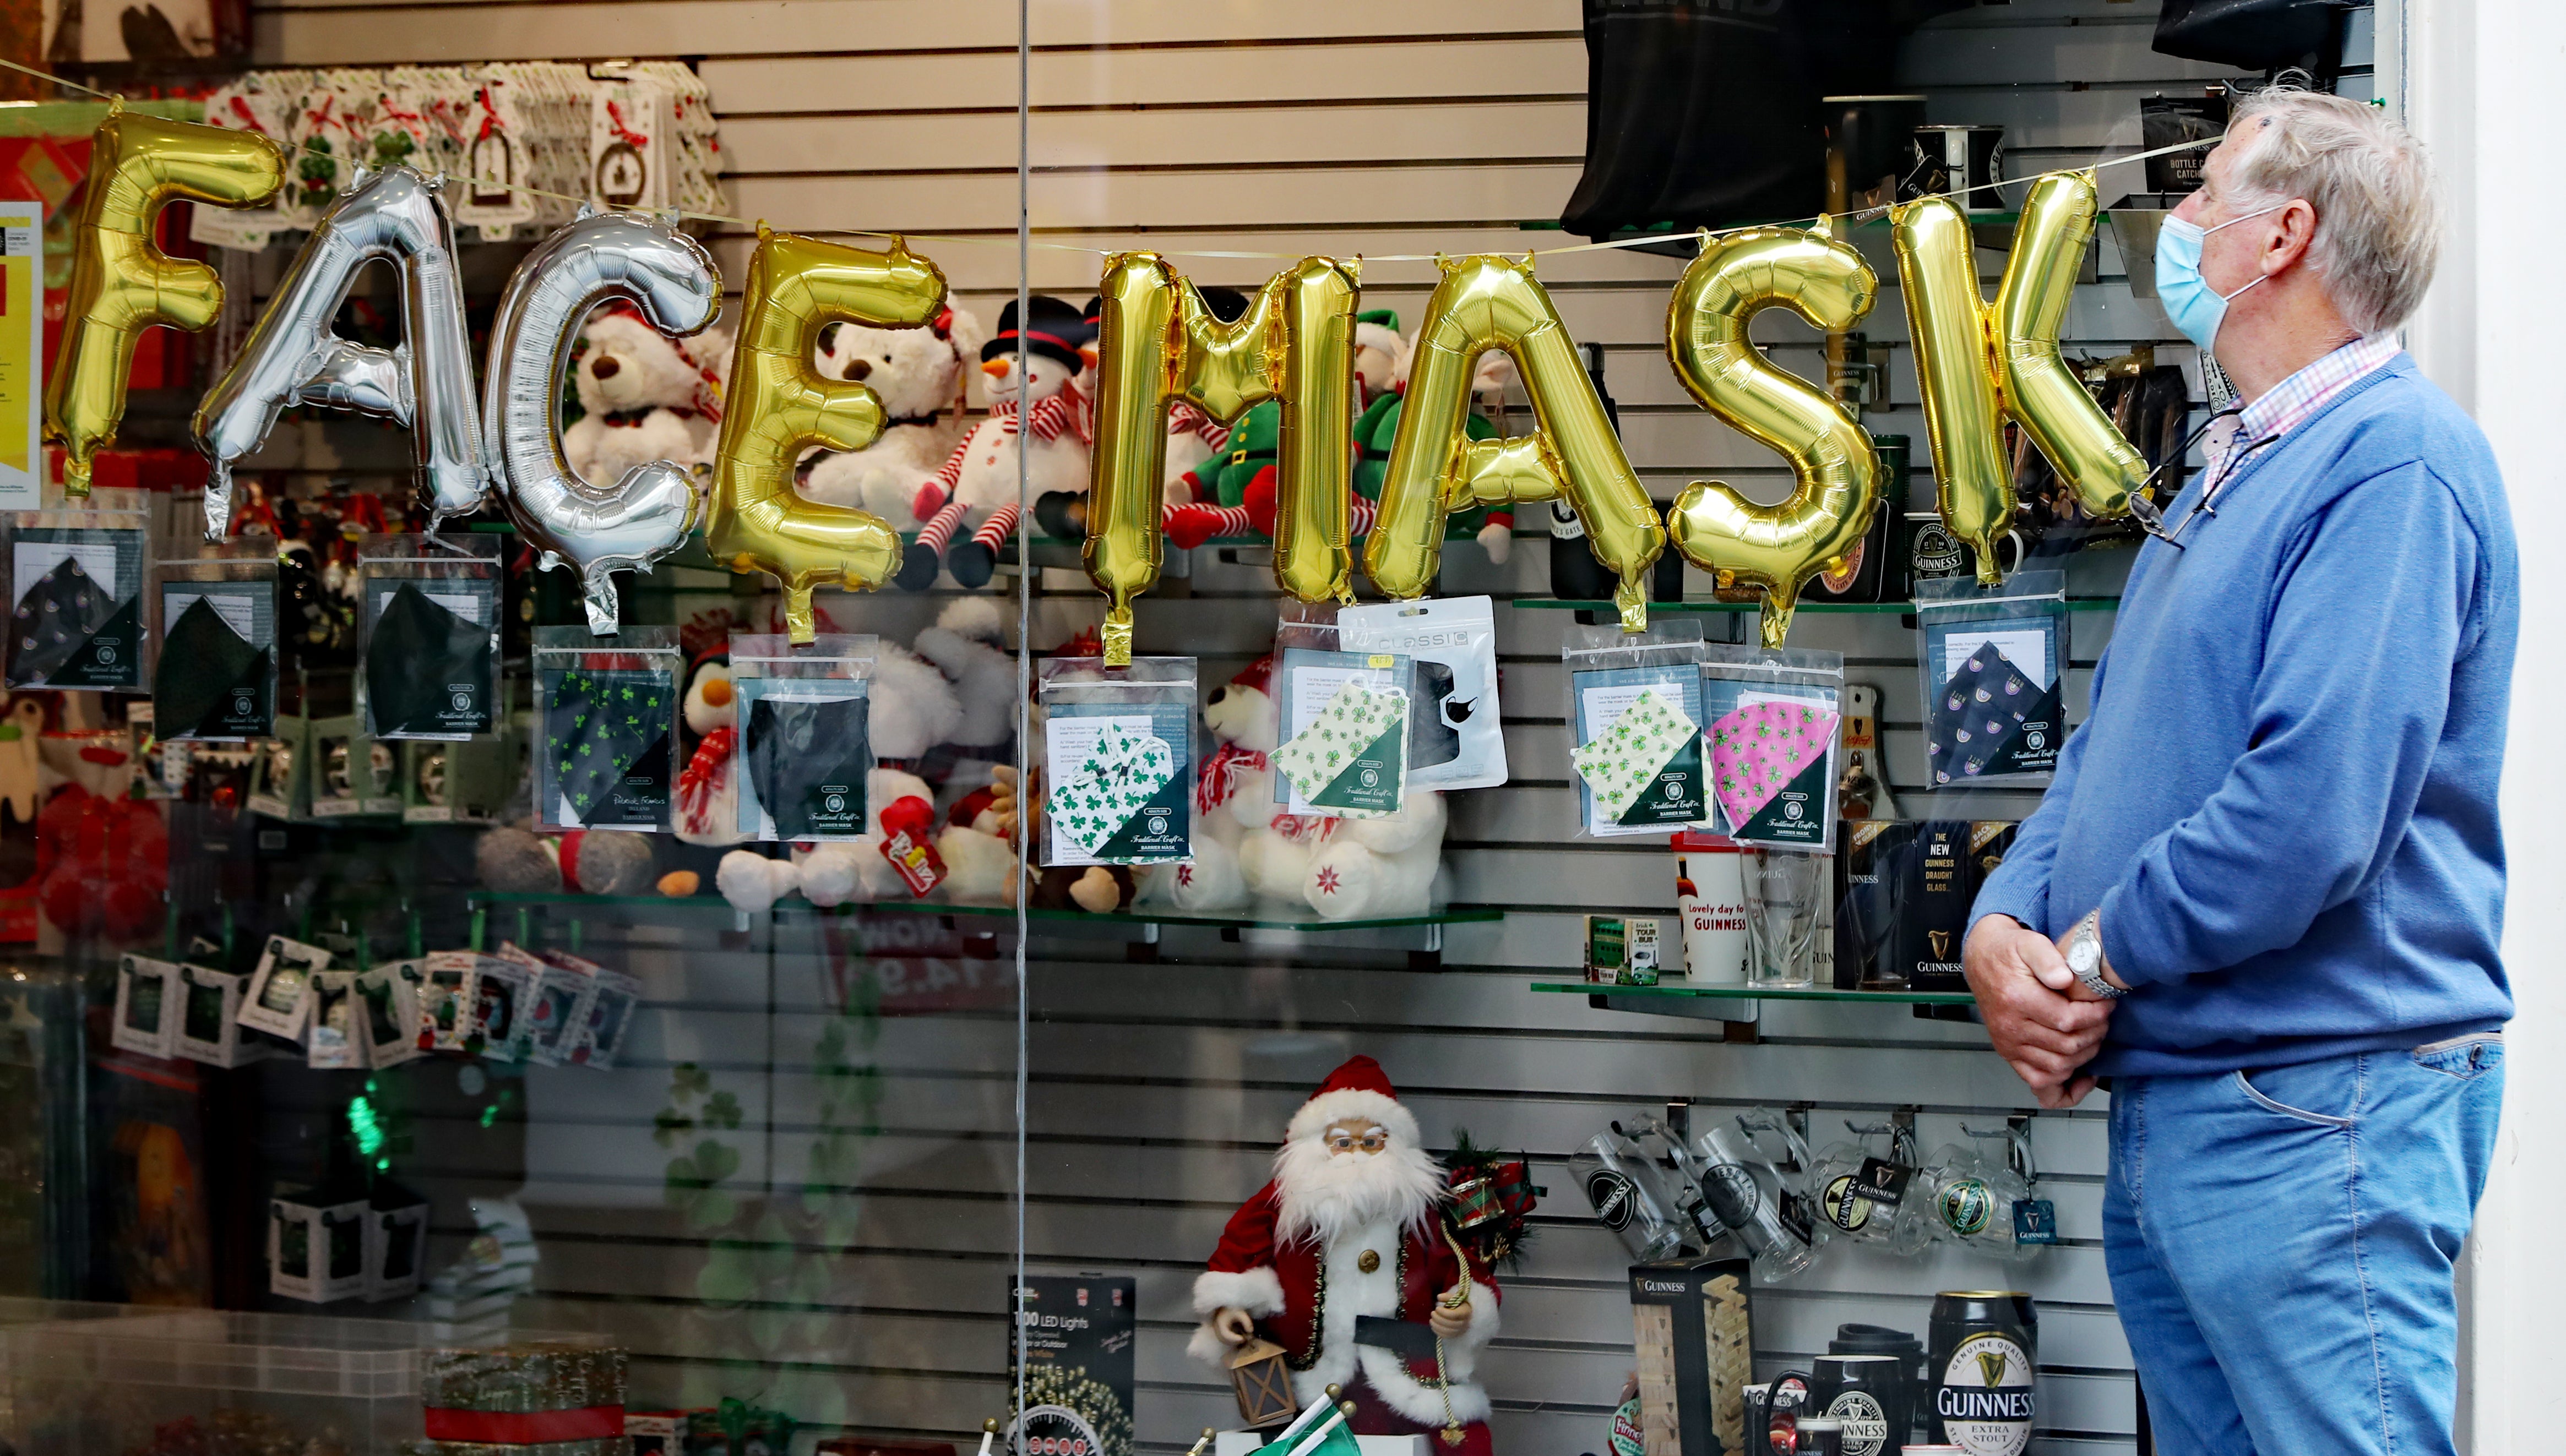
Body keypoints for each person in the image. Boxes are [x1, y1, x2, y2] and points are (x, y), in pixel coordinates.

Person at [1963, 88, 2515, 1456]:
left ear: (2282, 232)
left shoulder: (2387, 459)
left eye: (2202, 190)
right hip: (2191, 1097)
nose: (2177, 219)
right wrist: (1998, 930)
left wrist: (2082, 962)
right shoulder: (2224, 467)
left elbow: (2305, 812)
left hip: (2311, 1107)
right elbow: (2106, 752)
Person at [1189, 1056, 1501, 1455]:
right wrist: (1227, 1308)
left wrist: (1464, 1308)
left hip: (1407, 1370)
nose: (1356, 1154)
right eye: (1343, 1142)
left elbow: (1459, 1267)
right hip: (1307, 1376)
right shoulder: (1285, 1203)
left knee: (1460, 1442)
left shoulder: (1417, 1211)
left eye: (1371, 1142)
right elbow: (1237, 1250)